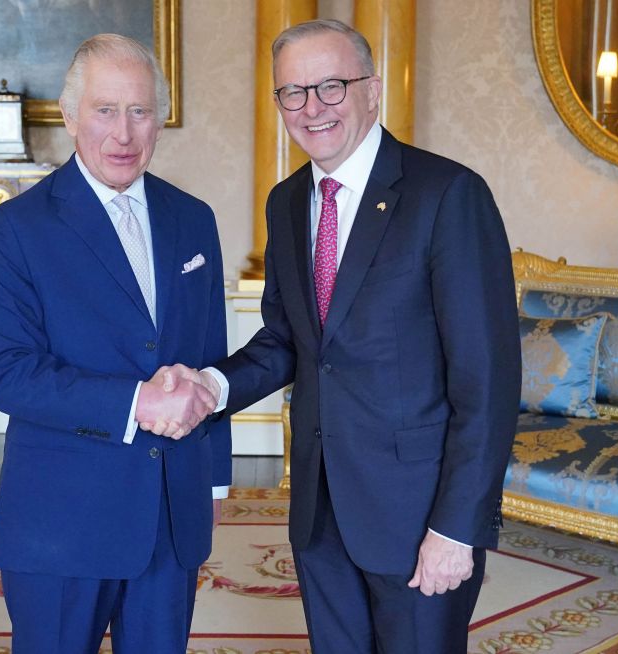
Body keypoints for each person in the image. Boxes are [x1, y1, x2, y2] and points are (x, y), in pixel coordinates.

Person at [178, 18, 520, 654]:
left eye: (331, 86)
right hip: (319, 505)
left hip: (417, 513)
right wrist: (211, 385)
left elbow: (489, 380)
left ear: (372, 89)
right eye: (293, 93)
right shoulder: (286, 202)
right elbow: (290, 340)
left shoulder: (446, 194)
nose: (312, 108)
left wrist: (456, 526)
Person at [0, 33, 231, 653]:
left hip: (172, 515)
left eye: (139, 111)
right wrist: (134, 403)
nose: (124, 133)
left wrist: (213, 484)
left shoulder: (194, 218)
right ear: (69, 117)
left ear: (160, 120)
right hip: (62, 522)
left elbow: (211, 356)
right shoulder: (18, 226)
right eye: (105, 110)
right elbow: (8, 372)